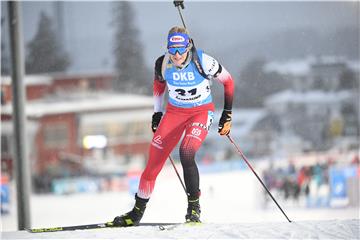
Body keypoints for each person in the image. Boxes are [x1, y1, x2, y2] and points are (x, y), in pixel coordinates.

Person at [111, 26, 234, 226]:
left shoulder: (203, 61)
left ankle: (194, 208)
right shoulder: (163, 63)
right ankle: (136, 213)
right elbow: (159, 88)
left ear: (188, 46)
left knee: (186, 152)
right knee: (153, 162)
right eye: (172, 49)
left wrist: (227, 114)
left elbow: (228, 82)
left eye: (181, 49)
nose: (176, 55)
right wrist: (157, 113)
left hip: (201, 112)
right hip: (175, 113)